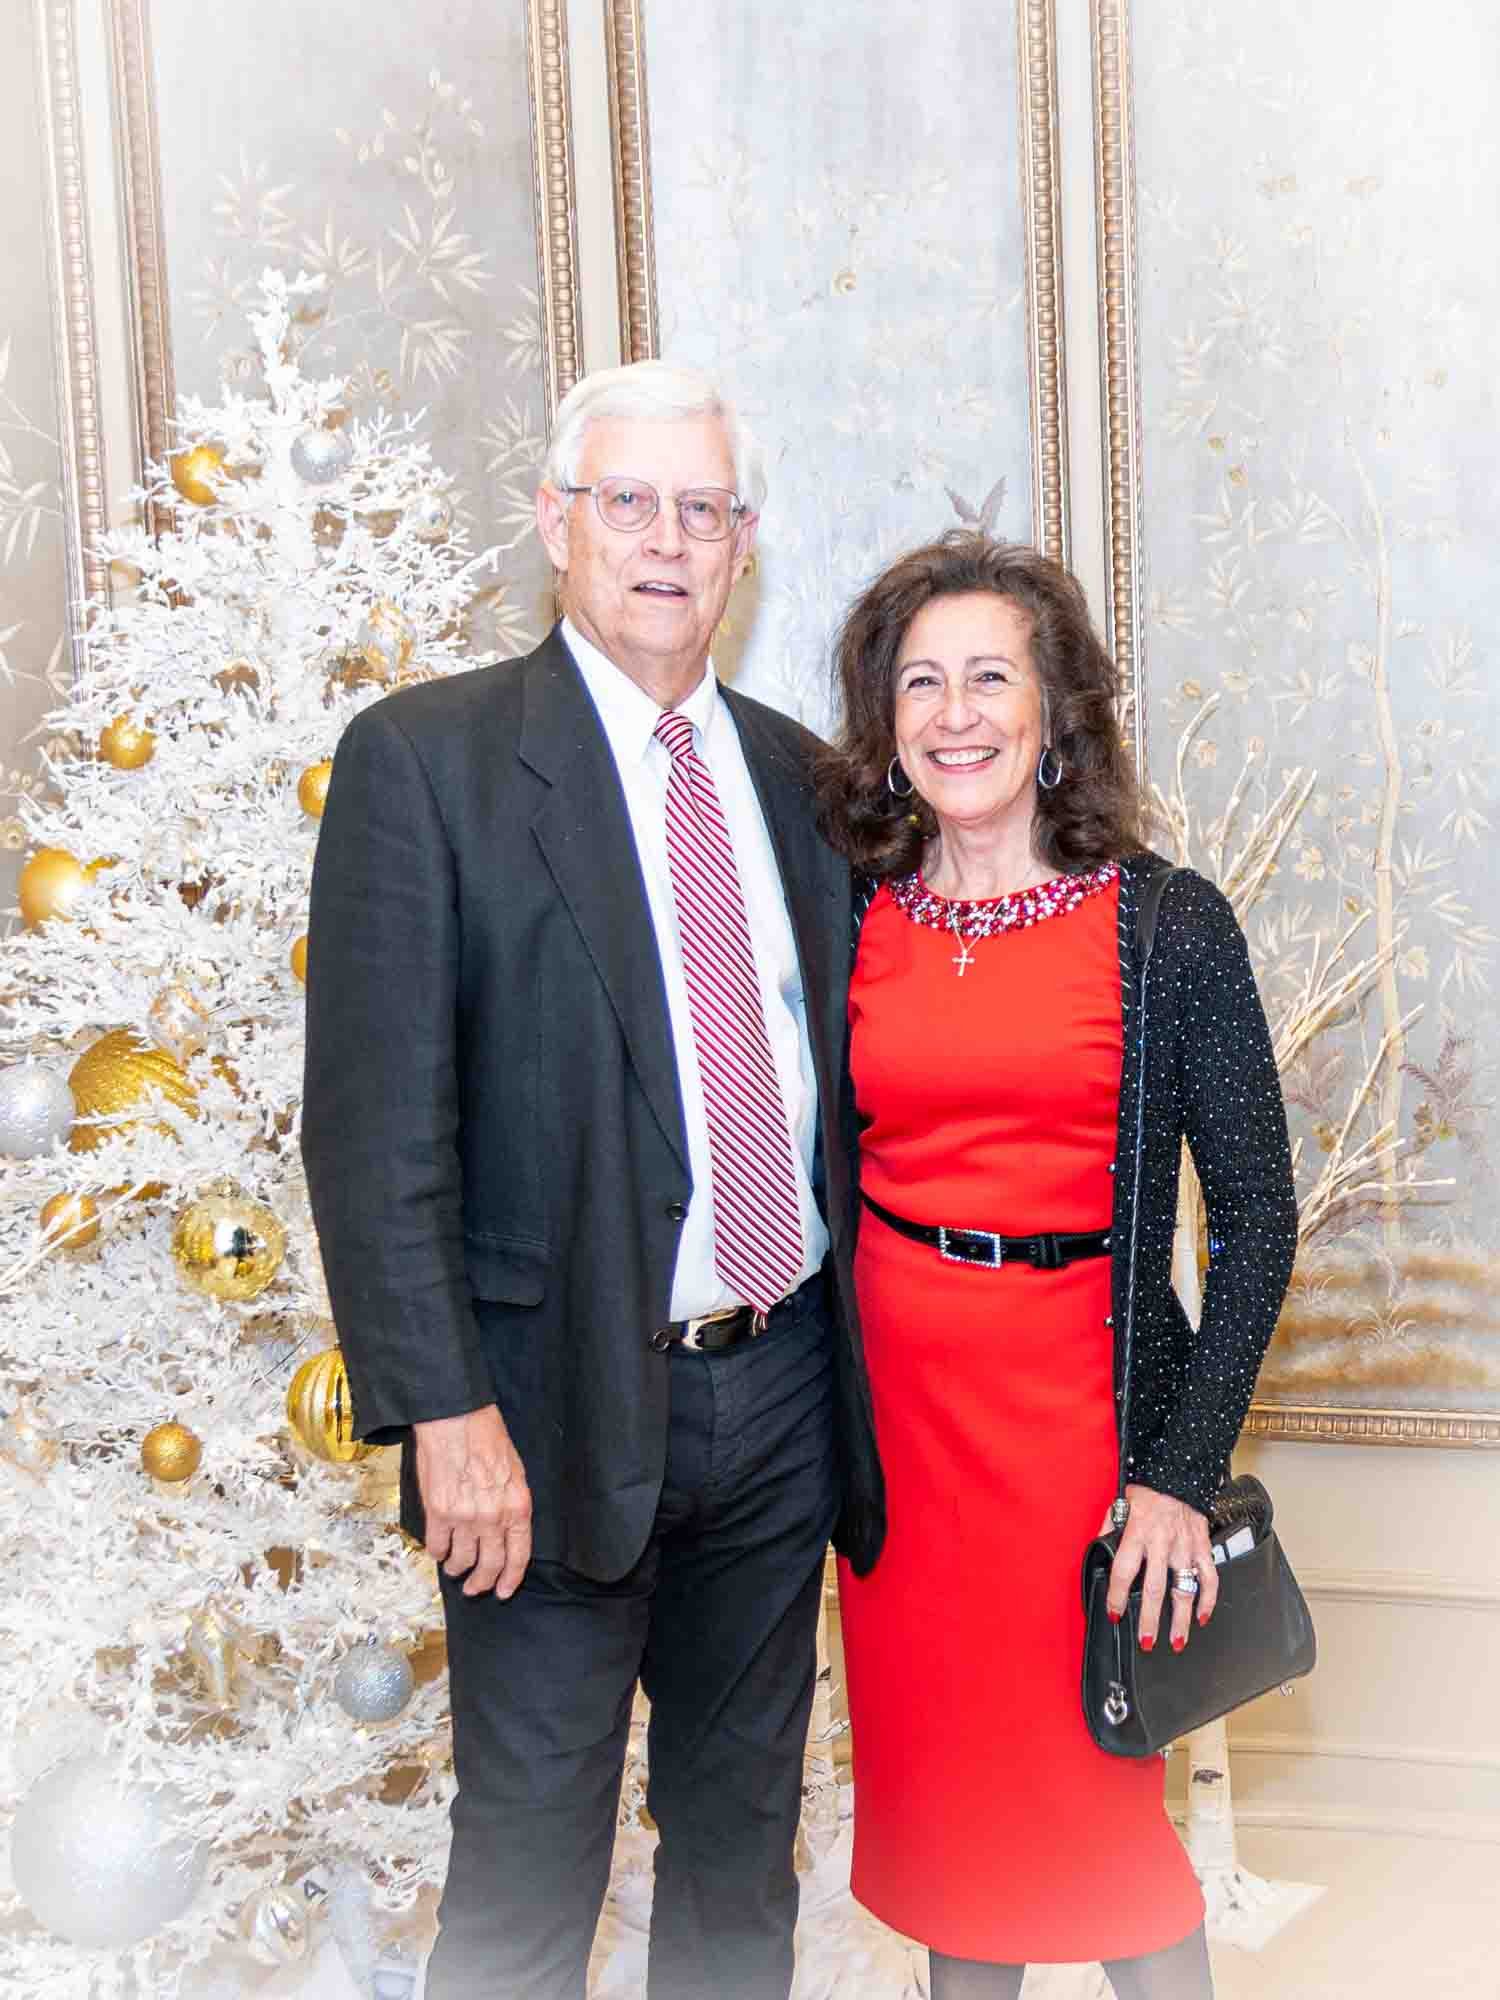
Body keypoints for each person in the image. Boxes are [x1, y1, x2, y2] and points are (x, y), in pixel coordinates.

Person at [300, 360, 883, 2000]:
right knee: (526, 1874)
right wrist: (444, 1413)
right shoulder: (430, 763)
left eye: (703, 509)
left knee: (738, 1866)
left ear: (744, 544)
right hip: (540, 1419)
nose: (667, 540)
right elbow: (373, 1130)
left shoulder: (805, 785)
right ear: (557, 524)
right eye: (629, 501)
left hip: (779, 1396)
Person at [815, 532, 1297, 2000]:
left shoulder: (1167, 925)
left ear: (1053, 713)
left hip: (1083, 1444)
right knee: (956, 1836)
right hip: (901, 1450)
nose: (955, 714)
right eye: (921, 683)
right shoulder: (851, 913)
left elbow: (1260, 1221)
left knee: (1101, 1823)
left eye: (990, 678)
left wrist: (1179, 1474)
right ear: (886, 721)